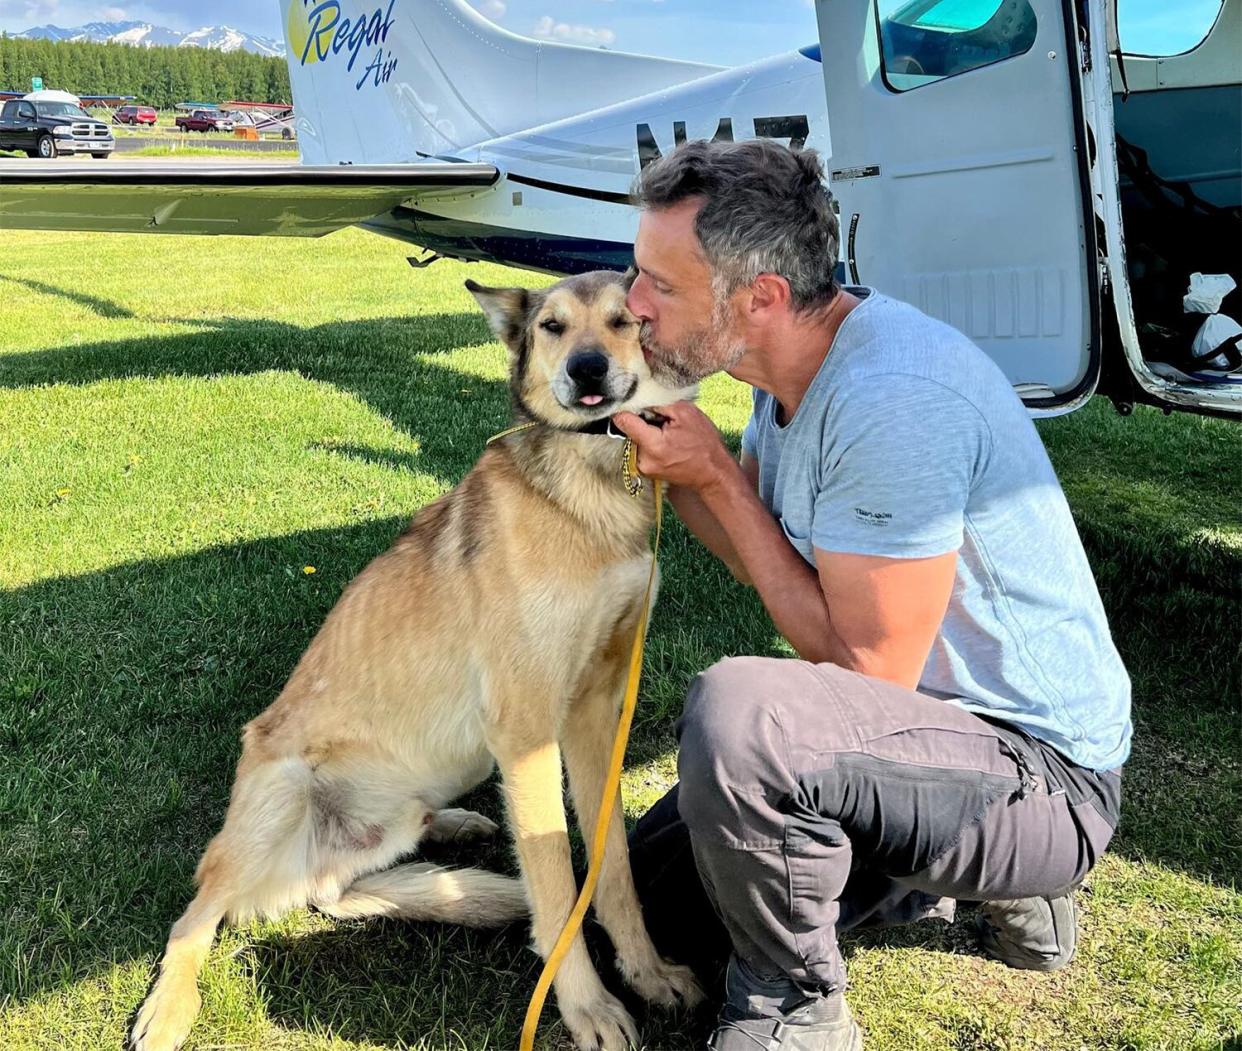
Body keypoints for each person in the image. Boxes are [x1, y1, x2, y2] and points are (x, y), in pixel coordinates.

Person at [609, 139, 1132, 1051]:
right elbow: (761, 558)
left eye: (659, 281)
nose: (632, 303)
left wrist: (722, 483)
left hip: (1042, 774)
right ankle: (936, 875)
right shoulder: (782, 375)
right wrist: (685, 473)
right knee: (647, 902)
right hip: (924, 741)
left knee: (744, 717)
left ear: (759, 297)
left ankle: (795, 1008)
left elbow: (868, 668)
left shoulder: (891, 395)